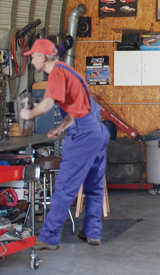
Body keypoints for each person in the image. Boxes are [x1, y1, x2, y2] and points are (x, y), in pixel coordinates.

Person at [19, 39, 110, 249]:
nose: (32, 62)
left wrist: (28, 113)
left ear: (42, 57)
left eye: (33, 57)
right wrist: (59, 129)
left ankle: (49, 236)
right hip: (97, 131)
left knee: (64, 187)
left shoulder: (57, 74)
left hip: (84, 134)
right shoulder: (71, 73)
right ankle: (92, 232)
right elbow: (77, 109)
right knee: (94, 186)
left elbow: (47, 105)